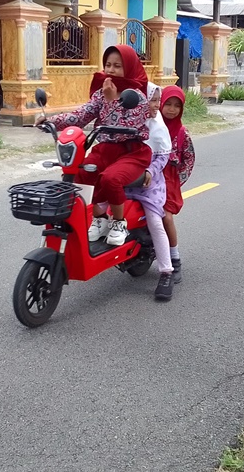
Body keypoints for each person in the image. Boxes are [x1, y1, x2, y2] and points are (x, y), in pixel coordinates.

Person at [37, 45, 152, 246]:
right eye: (107, 65)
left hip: (132, 152)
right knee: (80, 174)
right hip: (105, 150)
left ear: (130, 68)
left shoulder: (138, 97)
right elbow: (81, 115)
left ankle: (118, 222)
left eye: (117, 66)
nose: (110, 70)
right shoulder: (101, 93)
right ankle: (100, 219)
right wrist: (51, 121)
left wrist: (113, 100)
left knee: (110, 178)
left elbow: (126, 125)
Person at [123, 82, 175, 301]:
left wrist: (150, 172)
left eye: (156, 100)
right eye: (150, 100)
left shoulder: (158, 127)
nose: (155, 105)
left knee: (155, 221)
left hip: (149, 182)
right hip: (126, 178)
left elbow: (163, 156)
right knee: (101, 208)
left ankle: (166, 272)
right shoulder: (129, 122)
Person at [160, 86, 196, 284]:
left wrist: (177, 181)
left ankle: (175, 258)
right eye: (168, 104)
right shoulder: (151, 127)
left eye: (177, 106)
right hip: (147, 177)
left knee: (165, 216)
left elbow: (189, 159)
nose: (172, 109)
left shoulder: (182, 133)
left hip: (170, 181)